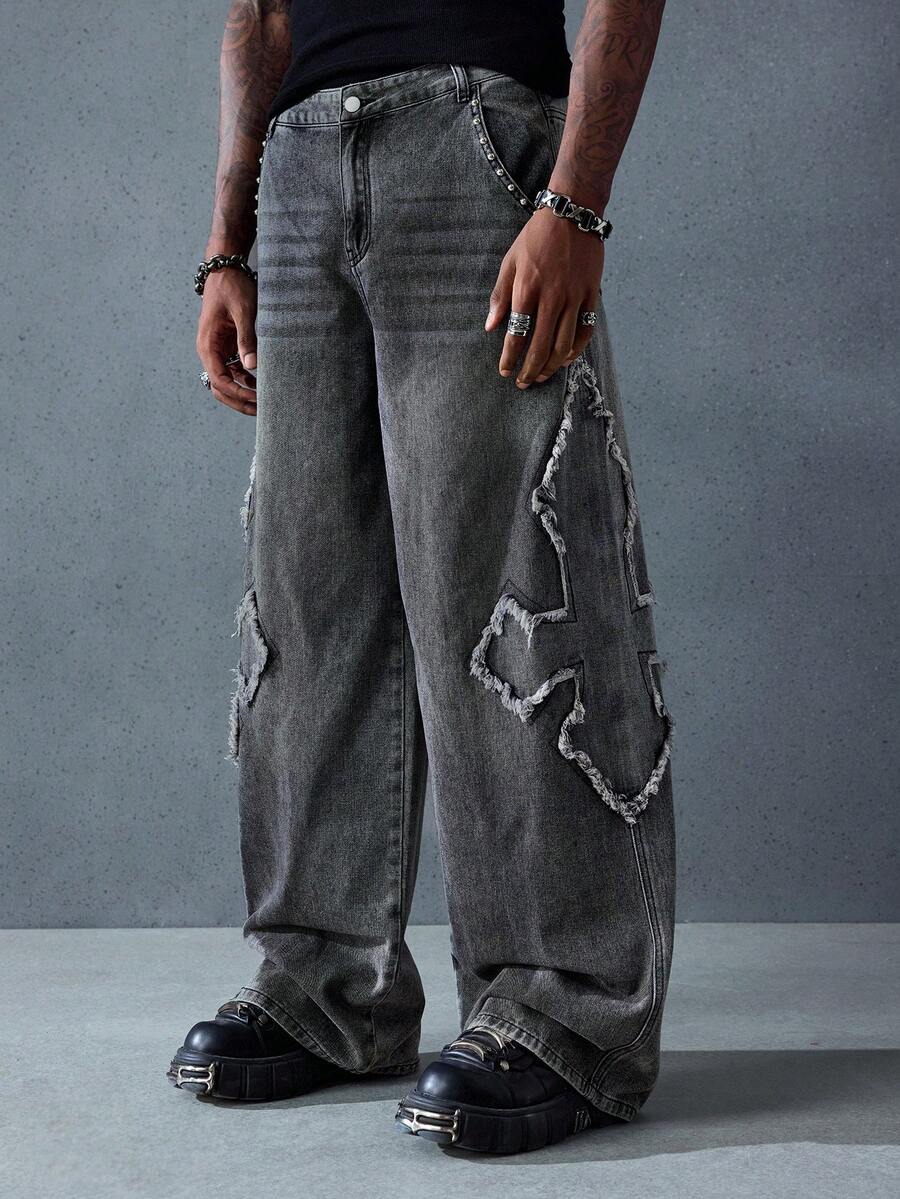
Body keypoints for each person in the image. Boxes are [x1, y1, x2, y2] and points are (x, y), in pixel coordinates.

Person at [168, 0, 676, 1155]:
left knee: (513, 583)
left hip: (476, 132)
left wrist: (575, 199)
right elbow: (260, 12)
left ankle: (568, 1011)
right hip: (301, 161)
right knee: (310, 597)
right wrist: (229, 241)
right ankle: (325, 981)